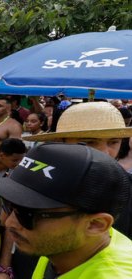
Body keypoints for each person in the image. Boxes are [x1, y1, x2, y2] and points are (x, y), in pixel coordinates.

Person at [0, 144, 132, 278]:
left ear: (96, 224)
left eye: (28, 214)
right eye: (8, 205)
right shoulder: (62, 249)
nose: (9, 222)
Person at [22, 101, 132, 237]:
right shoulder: (38, 179)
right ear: (62, 142)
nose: (105, 152)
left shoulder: (127, 186)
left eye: (113, 142)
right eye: (90, 142)